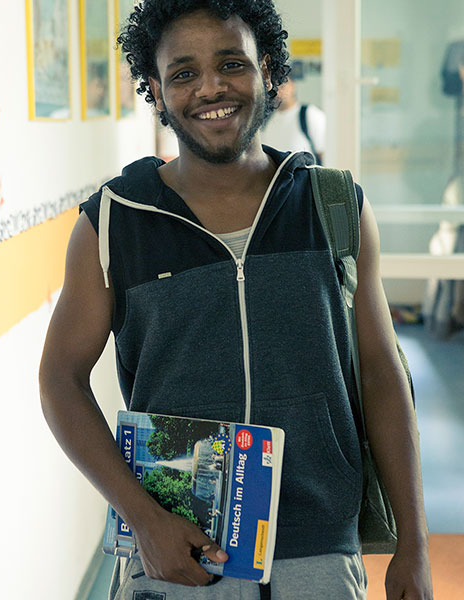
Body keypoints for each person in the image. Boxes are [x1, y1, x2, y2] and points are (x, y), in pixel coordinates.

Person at [39, 1, 433, 599]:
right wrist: (145, 520)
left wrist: (415, 542)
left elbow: (381, 376)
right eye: (183, 73)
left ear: (269, 70)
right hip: (179, 551)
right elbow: (59, 380)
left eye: (231, 63)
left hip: (319, 550)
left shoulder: (334, 208)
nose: (211, 88)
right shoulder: (115, 223)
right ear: (155, 89)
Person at [262, 76, 326, 164]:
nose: (279, 92)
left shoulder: (309, 114)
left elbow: (325, 154)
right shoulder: (266, 121)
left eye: (282, 86)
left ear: (293, 86)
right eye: (274, 88)